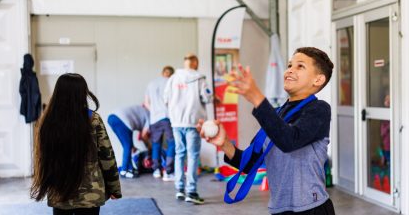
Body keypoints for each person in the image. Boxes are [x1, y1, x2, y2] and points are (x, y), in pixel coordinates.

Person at [199, 47, 336, 214]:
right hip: (279, 209)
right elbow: (249, 163)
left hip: (312, 209)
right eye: (290, 65)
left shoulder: (319, 109)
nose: (290, 70)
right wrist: (225, 143)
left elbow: (289, 140)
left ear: (318, 80)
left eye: (300, 66)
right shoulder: (276, 114)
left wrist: (257, 97)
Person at [31, 73, 121, 215]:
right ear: (82, 93)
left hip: (60, 191)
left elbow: (42, 157)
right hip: (91, 193)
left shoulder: (48, 120)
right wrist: (114, 188)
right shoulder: (94, 119)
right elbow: (106, 156)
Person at [164, 53, 212, 204]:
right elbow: (207, 97)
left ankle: (179, 190)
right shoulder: (199, 78)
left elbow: (165, 99)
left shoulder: (173, 78)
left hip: (177, 122)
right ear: (195, 62)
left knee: (180, 154)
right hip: (193, 122)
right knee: (192, 156)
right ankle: (191, 191)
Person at [144, 66, 176, 181]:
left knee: (156, 144)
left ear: (162, 72)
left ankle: (156, 170)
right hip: (167, 117)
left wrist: (154, 111)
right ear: (171, 74)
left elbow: (146, 103)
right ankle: (168, 171)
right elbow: (173, 101)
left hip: (154, 118)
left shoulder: (151, 83)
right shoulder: (171, 83)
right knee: (172, 143)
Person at [108, 105, 150, 178]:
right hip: (123, 120)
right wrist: (149, 147)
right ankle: (124, 171)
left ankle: (130, 169)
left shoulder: (142, 111)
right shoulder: (150, 116)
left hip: (112, 118)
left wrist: (133, 146)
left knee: (127, 145)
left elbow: (141, 135)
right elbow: (144, 135)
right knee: (127, 146)